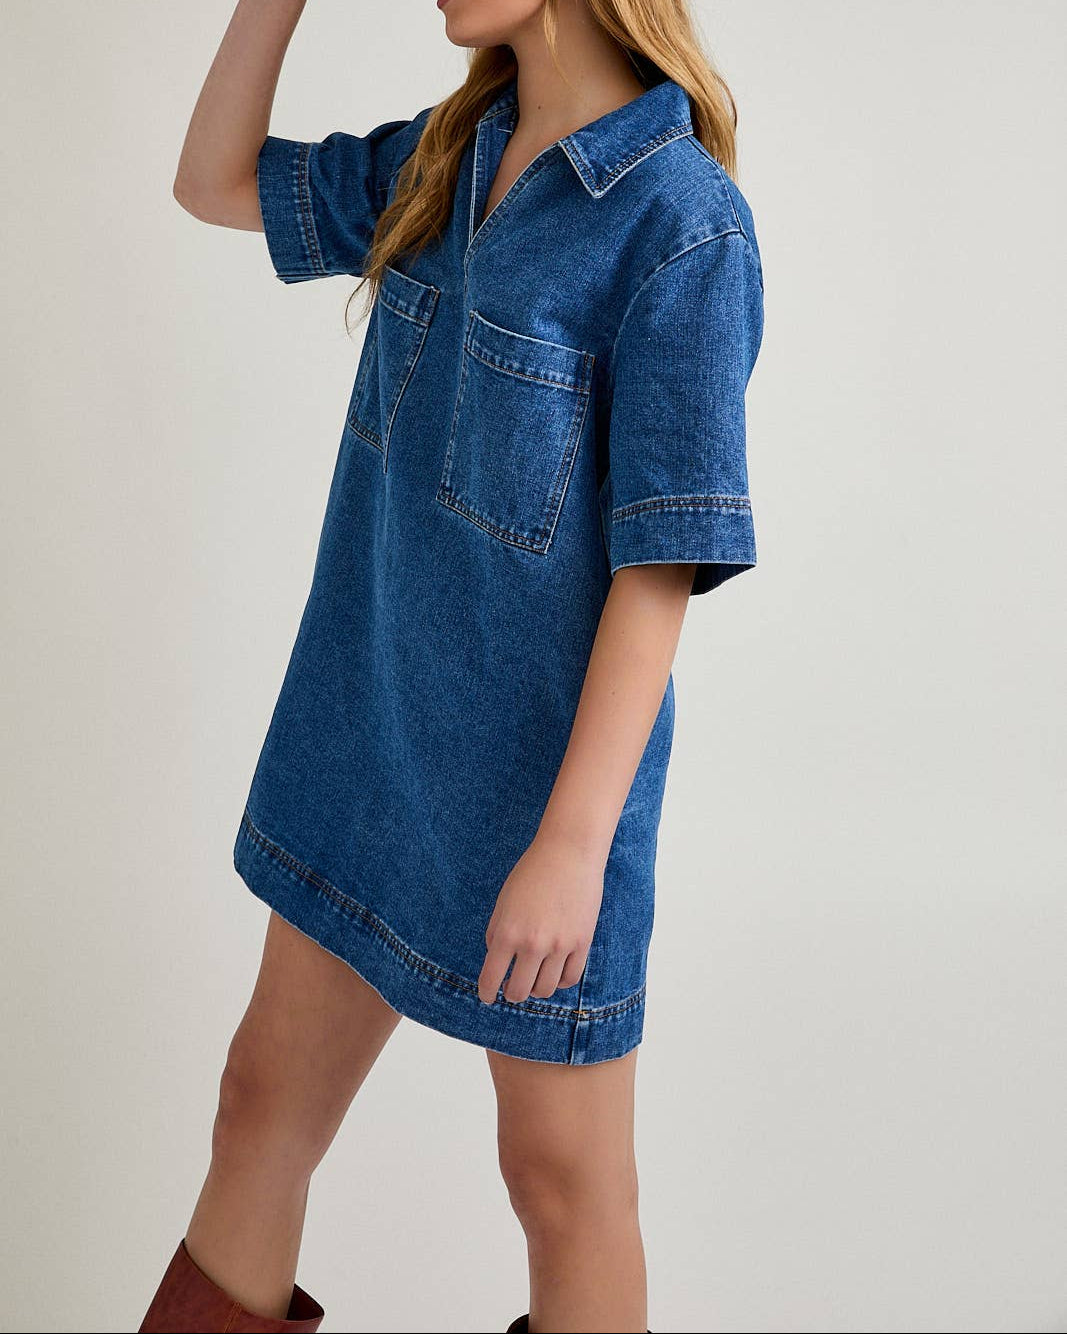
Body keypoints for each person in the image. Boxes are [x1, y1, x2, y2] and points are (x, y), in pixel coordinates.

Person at [139, 1, 764, 1330]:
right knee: (259, 1103)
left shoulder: (682, 220)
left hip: (538, 799)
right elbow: (208, 181)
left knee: (560, 1182)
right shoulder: (450, 152)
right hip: (357, 745)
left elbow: (662, 571)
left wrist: (574, 844)